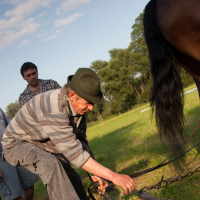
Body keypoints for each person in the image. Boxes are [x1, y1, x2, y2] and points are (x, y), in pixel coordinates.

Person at [2, 68, 136, 200]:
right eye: (88, 102)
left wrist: (93, 171)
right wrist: (113, 176)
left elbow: (81, 143)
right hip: (16, 144)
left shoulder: (78, 108)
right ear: (72, 95)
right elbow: (75, 154)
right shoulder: (54, 108)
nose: (91, 108)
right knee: (52, 166)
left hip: (42, 141)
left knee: (71, 177)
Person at [0, 108, 39, 200]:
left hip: (14, 149)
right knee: (15, 196)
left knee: (29, 183)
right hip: (1, 162)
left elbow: (10, 126)